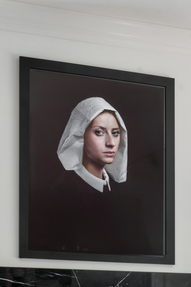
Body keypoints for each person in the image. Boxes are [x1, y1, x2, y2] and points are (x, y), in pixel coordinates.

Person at [27, 97, 154, 256]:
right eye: (99, 132)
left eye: (115, 133)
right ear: (79, 136)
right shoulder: (57, 196)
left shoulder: (129, 200)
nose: (110, 142)